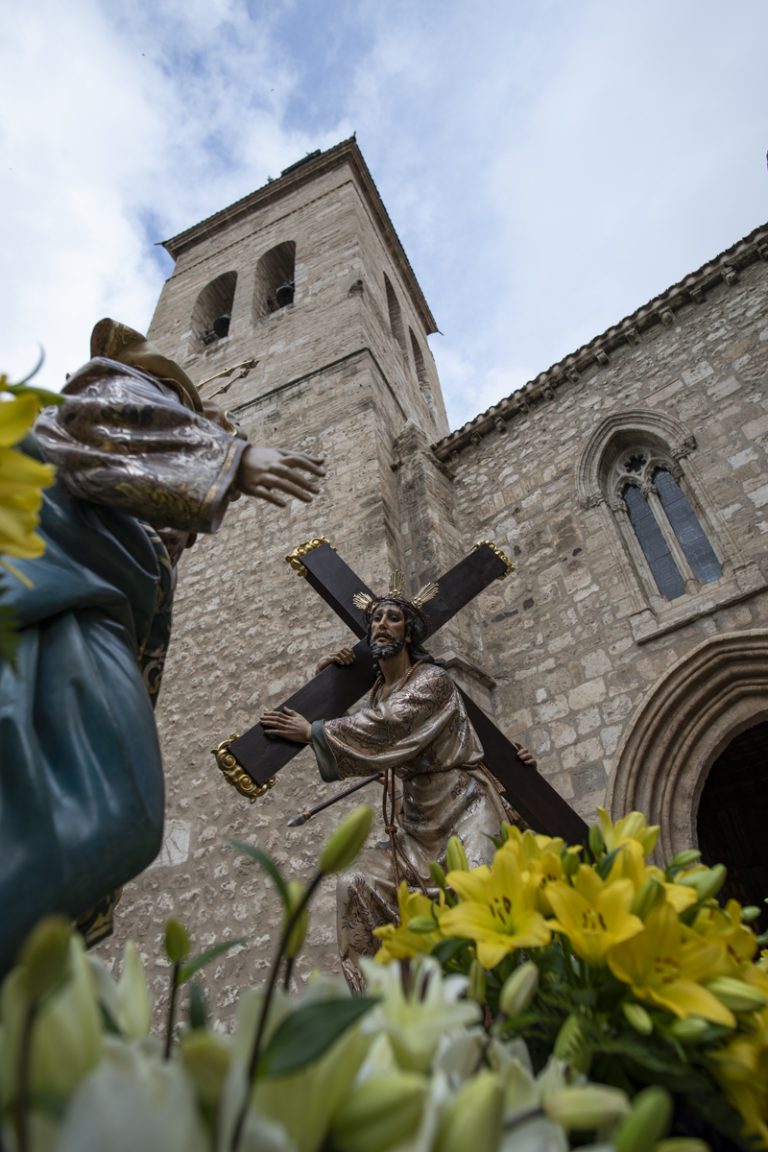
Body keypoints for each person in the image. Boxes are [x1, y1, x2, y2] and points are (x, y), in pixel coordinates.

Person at [0, 319, 324, 973]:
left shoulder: (138, 515)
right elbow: (103, 415)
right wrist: (231, 460)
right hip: (51, 600)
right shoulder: (115, 387)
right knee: (115, 812)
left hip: (82, 614)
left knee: (102, 813)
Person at [261, 581, 533, 991]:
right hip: (416, 821)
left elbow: (389, 727)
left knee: (478, 900)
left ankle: (498, 1004)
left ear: (409, 632)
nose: (382, 625)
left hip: (464, 807)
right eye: (375, 619)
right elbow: (374, 727)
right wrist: (330, 681)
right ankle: (385, 999)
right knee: (355, 881)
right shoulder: (375, 693)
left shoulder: (434, 681)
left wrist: (313, 731)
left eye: (393, 617)